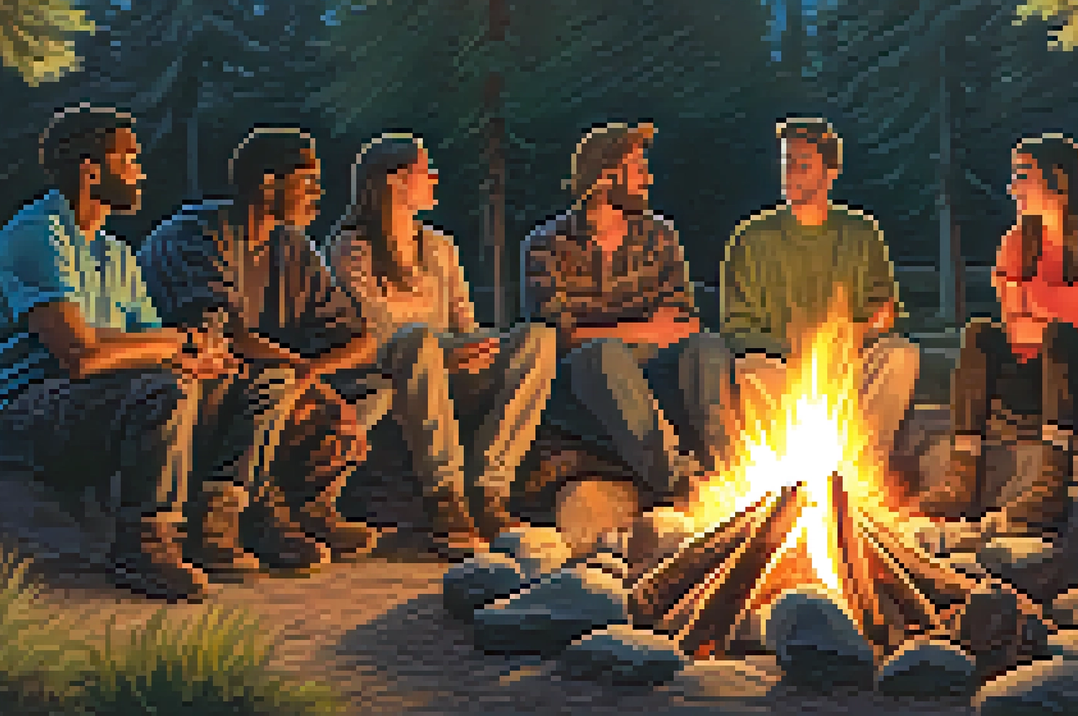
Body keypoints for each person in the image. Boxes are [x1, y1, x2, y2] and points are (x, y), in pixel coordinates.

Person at [0, 104, 236, 601]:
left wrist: (196, 357)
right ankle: (142, 548)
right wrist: (177, 344)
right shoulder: (36, 236)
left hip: (82, 398)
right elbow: (80, 356)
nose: (140, 172)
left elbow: (149, 344)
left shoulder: (114, 253)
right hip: (14, 410)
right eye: (129, 160)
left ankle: (207, 529)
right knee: (166, 390)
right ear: (91, 169)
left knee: (208, 380)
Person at [138, 126, 382, 574]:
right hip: (200, 377)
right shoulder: (193, 235)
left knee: (373, 388)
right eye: (307, 182)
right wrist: (311, 381)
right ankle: (226, 516)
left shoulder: (291, 246)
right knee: (276, 381)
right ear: (268, 183)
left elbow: (359, 339)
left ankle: (307, 505)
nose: (317, 194)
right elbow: (227, 336)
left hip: (273, 377)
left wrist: (314, 375)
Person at [327, 133, 558, 557]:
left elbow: (464, 321)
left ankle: (490, 486)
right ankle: (444, 495)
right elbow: (375, 330)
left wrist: (478, 346)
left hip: (449, 366)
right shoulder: (352, 249)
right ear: (396, 181)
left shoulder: (440, 247)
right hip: (395, 370)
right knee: (415, 340)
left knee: (536, 337)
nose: (434, 179)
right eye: (425, 170)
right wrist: (444, 348)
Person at [520, 122, 738, 507]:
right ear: (604, 178)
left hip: (652, 370)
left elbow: (684, 323)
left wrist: (630, 332)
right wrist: (644, 329)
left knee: (706, 346)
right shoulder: (547, 245)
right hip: (581, 386)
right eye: (638, 169)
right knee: (601, 353)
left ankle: (732, 473)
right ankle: (679, 482)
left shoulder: (659, 237)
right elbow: (560, 336)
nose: (647, 179)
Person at [923, 133, 1078, 532]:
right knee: (980, 334)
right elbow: (1012, 326)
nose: (1012, 187)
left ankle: (1052, 483)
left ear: (1057, 180)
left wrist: (1055, 328)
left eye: (1022, 176)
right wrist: (1054, 321)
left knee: (1060, 337)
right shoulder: (1017, 244)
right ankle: (963, 477)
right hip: (1029, 380)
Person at [721, 117, 921, 464]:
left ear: (830, 172)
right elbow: (736, 328)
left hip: (848, 364)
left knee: (900, 356)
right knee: (750, 372)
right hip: (780, 368)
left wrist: (871, 326)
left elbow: (884, 310)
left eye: (803, 164)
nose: (791, 173)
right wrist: (802, 351)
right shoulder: (752, 238)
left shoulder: (861, 233)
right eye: (787, 163)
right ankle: (783, 475)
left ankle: (864, 472)